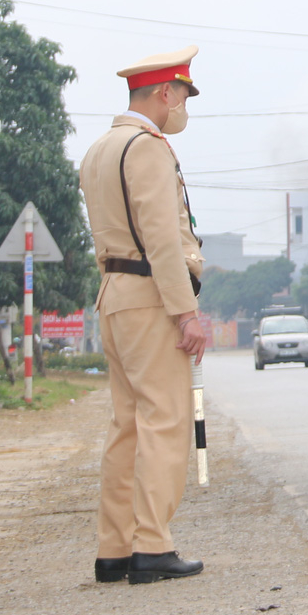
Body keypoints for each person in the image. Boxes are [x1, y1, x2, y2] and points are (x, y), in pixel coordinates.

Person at [78, 46, 208, 586]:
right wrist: (187, 314)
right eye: (182, 95)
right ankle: (152, 546)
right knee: (165, 420)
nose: (182, 107)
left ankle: (115, 549)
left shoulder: (99, 149)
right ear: (162, 93)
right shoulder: (148, 148)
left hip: (114, 298)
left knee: (126, 426)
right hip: (151, 299)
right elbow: (161, 240)